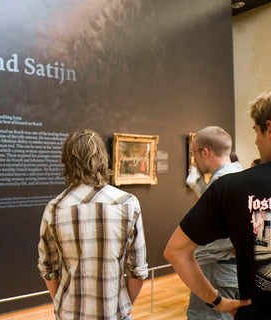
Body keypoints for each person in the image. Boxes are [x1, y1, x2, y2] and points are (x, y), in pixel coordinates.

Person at [164, 89, 271, 319]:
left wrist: (216, 301)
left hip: (226, 277)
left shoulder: (232, 186)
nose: (255, 139)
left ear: (269, 128)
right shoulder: (232, 182)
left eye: (256, 130)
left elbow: (175, 250)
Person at [37, 129, 148, 320]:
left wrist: (62, 305)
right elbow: (137, 270)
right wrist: (123, 306)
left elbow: (49, 269)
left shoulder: (55, 208)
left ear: (67, 162)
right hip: (115, 313)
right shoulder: (127, 203)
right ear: (102, 159)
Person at [185, 126, 243, 320]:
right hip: (232, 268)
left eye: (194, 153)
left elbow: (201, 228)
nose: (194, 160)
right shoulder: (239, 174)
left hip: (215, 268)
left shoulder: (221, 182)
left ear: (205, 152)